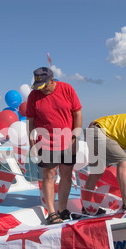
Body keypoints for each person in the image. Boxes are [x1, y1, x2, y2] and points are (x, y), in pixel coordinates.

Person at [26, 67, 82, 224]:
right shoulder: (33, 96)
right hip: (45, 141)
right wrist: (32, 143)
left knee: (66, 174)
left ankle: (62, 209)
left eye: (44, 86)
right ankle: (51, 212)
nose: (41, 90)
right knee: (49, 175)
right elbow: (29, 121)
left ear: (52, 80)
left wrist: (75, 136)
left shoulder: (67, 89)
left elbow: (77, 113)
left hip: (67, 140)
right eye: (38, 86)